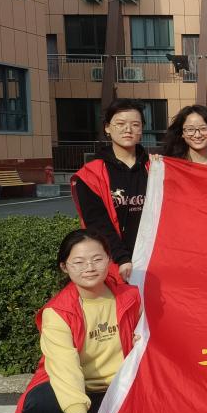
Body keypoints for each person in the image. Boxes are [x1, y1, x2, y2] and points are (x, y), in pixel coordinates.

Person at [14, 229, 143, 413]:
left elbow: (150, 336)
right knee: (41, 404)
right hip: (75, 387)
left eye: (97, 259)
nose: (90, 268)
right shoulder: (58, 312)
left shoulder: (131, 296)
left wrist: (142, 339)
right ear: (65, 266)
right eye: (79, 262)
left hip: (119, 390)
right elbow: (66, 371)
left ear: (109, 259)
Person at [71, 99, 150, 283]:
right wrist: (122, 258)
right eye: (120, 124)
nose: (128, 129)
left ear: (142, 129)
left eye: (135, 124)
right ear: (107, 128)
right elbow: (97, 224)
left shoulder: (156, 168)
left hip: (154, 259)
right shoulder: (90, 175)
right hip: (117, 264)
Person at [160, 104, 207, 172]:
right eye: (190, 129)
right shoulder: (172, 165)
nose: (197, 135)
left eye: (203, 128)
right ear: (182, 133)